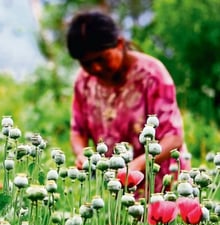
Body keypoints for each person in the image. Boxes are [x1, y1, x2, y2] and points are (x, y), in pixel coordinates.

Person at [66, 10, 190, 194]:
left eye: (101, 58)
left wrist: (137, 166)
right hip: (116, 188)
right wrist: (83, 156)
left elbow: (174, 137)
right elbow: (78, 131)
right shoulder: (84, 82)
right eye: (86, 63)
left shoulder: (152, 75)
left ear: (119, 44)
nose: (95, 68)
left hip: (163, 184)